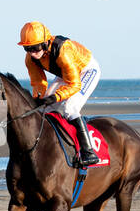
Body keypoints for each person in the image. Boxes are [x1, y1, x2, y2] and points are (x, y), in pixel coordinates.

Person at [18, 21, 101, 166]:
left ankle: (89, 151)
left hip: (86, 71)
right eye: (27, 48)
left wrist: (56, 96)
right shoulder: (30, 58)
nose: (32, 52)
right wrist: (39, 99)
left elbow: (74, 84)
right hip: (65, 74)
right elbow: (38, 83)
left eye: (35, 47)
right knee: (46, 109)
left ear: (45, 43)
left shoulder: (63, 51)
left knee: (69, 107)